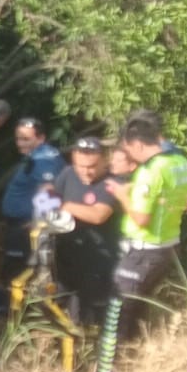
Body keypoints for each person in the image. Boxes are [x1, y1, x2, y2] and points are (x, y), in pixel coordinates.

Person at [93, 111, 187, 372]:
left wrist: (123, 195)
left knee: (116, 307)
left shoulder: (150, 171)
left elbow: (140, 217)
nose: (131, 157)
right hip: (167, 248)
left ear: (137, 144)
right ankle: (131, 364)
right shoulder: (181, 163)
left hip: (142, 250)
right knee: (137, 307)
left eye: (129, 150)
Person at [52, 135, 122, 326]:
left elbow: (98, 215)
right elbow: (54, 197)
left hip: (97, 261)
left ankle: (87, 348)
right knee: (59, 304)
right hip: (66, 255)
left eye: (91, 166)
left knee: (88, 314)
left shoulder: (112, 183)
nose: (86, 172)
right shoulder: (68, 174)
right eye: (80, 166)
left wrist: (67, 206)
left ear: (104, 161)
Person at [0, 117, 66, 282]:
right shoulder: (36, 155)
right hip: (22, 226)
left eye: (26, 139)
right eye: (18, 139)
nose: (20, 144)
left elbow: (49, 190)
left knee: (17, 275)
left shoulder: (44, 159)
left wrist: (39, 223)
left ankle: (20, 308)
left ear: (41, 138)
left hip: (27, 228)